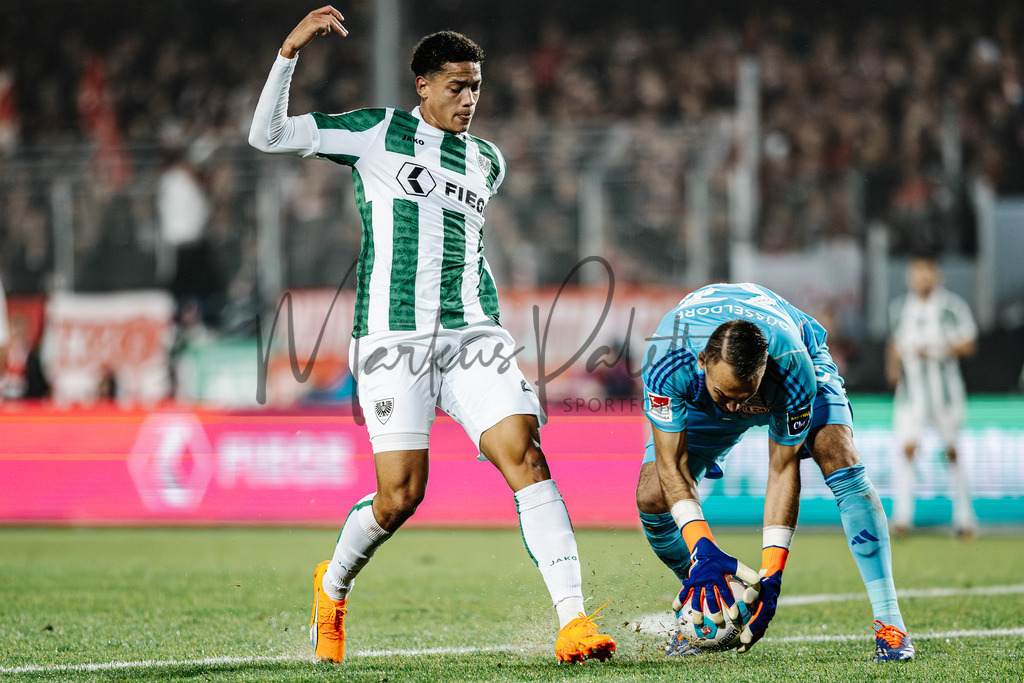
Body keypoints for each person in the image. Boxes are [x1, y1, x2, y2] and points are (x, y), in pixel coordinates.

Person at [248, 6, 615, 665]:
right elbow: (266, 135)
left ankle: (574, 621)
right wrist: (289, 53)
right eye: (456, 85)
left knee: (524, 454)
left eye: (476, 86)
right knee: (401, 494)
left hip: (474, 332)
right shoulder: (374, 133)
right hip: (392, 337)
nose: (469, 99)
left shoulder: (487, 161)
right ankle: (332, 587)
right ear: (422, 85)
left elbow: (467, 243)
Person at [635, 282, 915, 662]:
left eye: (744, 396)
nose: (735, 409)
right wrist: (703, 548)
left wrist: (772, 575)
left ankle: (890, 624)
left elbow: (782, 468)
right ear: (702, 360)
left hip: (791, 372)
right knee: (652, 496)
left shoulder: (792, 367)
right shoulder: (667, 358)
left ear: (764, 369)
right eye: (726, 396)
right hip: (704, 398)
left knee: (837, 452)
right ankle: (705, 598)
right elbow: (672, 465)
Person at [886, 256, 978, 537]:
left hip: (946, 395)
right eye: (916, 273)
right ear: (909, 277)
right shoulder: (900, 308)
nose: (921, 278)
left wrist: (939, 349)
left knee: (953, 452)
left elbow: (969, 343)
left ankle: (965, 519)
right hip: (911, 396)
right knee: (906, 451)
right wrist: (893, 369)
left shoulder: (952, 306)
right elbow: (894, 344)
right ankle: (902, 518)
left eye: (927, 273)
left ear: (937, 276)